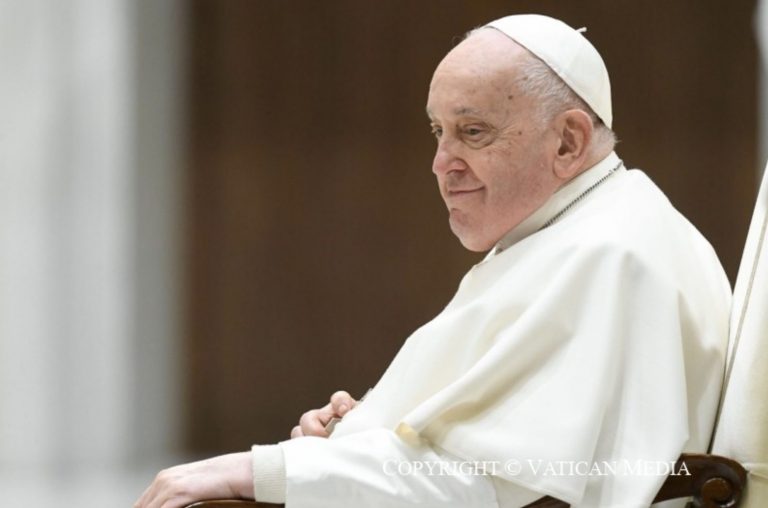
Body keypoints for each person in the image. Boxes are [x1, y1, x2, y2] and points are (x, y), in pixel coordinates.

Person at [135, 14, 731, 508]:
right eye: (437, 132)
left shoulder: (606, 255)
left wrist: (264, 472)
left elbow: (494, 486)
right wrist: (364, 427)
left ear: (569, 142)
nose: (441, 163)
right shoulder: (584, 227)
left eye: (473, 132)